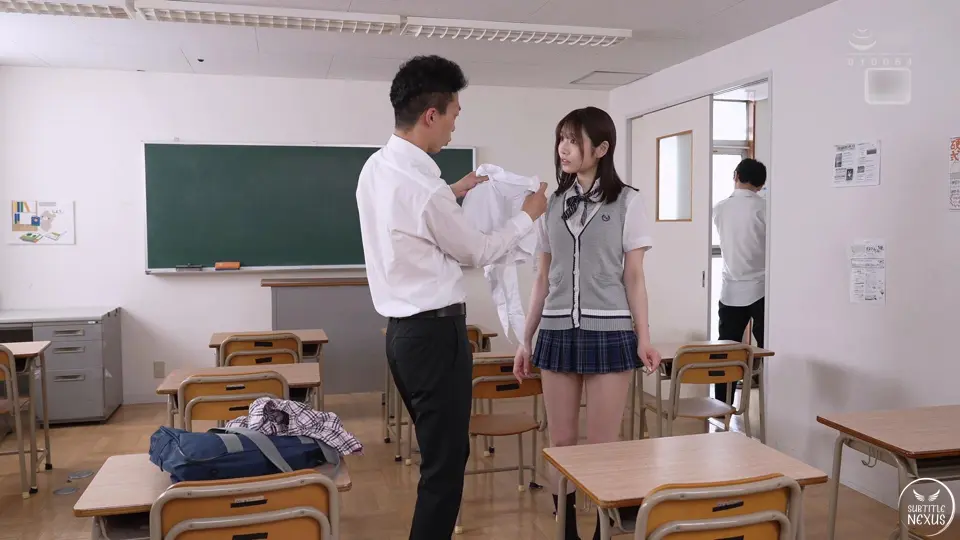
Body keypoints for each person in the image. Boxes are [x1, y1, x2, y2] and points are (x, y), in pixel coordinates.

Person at [355, 55, 548, 540]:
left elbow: (417, 221)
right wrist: (527, 215)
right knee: (445, 465)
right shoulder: (426, 190)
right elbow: (477, 250)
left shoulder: (376, 167)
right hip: (434, 336)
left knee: (438, 456)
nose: (456, 124)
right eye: (454, 113)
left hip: (402, 337)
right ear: (430, 115)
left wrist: (453, 191)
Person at [513, 106, 661, 540]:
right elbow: (542, 278)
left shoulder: (628, 202)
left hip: (610, 332)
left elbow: (634, 277)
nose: (564, 148)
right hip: (556, 331)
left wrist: (643, 338)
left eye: (574, 140)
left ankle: (600, 531)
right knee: (561, 445)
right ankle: (567, 531)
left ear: (601, 148)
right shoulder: (551, 206)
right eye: (561, 138)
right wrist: (525, 339)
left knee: (601, 447)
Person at [712, 157, 767, 404]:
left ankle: (721, 406)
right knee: (767, 349)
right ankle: (770, 404)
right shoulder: (765, 208)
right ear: (761, 184)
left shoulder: (720, 208)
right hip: (762, 288)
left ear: (735, 175)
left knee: (726, 352)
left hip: (730, 290)